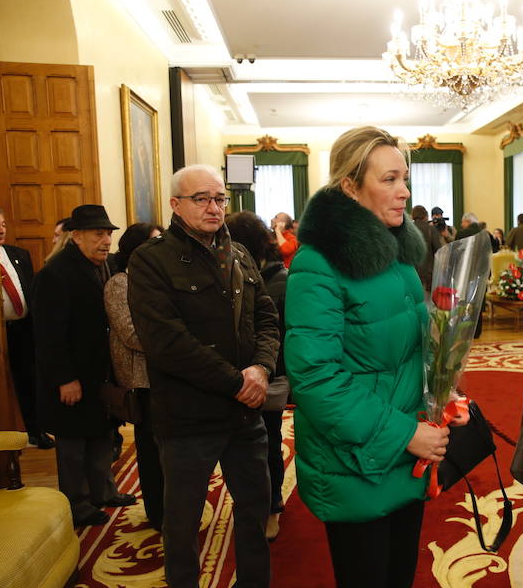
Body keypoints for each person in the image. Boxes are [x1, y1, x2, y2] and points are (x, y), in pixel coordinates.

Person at [285, 126, 460, 588]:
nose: (403, 192)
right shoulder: (318, 263)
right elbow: (316, 378)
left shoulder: (397, 252)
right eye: (389, 180)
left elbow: (411, 350)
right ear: (350, 186)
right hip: (357, 461)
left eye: (405, 179)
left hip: (405, 454)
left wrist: (442, 393)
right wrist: (405, 434)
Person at [128, 164, 280, 588]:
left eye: (219, 199)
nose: (214, 207)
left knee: (255, 516)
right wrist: (238, 382)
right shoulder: (150, 260)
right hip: (187, 420)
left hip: (245, 418)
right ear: (176, 205)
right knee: (182, 528)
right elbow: (166, 344)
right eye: (202, 199)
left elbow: (267, 319)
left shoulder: (241, 254)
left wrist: (262, 368)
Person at [31, 204, 136, 527]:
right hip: (72, 376)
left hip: (99, 374)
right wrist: (65, 379)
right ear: (76, 236)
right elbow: (49, 336)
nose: (106, 241)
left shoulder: (105, 266)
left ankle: (104, 491)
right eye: (98, 234)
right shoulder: (55, 273)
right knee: (74, 444)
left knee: (102, 436)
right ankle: (77, 505)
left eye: (108, 234)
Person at [227, 210, 290, 541]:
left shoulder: (278, 282)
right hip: (238, 378)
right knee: (247, 446)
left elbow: (281, 332)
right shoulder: (236, 274)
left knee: (267, 443)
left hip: (270, 377)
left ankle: (271, 507)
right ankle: (254, 503)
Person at [103, 222, 164, 530]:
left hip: (166, 372)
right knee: (152, 449)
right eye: (155, 242)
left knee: (170, 446)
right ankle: (158, 512)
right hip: (142, 377)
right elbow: (129, 333)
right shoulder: (120, 283)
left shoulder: (156, 279)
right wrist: (173, 342)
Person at [0, 207, 54, 449]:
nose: (0, 229)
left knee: (30, 379)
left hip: (24, 328)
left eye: (3, 224)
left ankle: (36, 429)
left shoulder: (18, 254)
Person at [411, 205, 442, 292]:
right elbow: (439, 249)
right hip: (428, 272)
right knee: (428, 300)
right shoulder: (431, 229)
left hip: (412, 271)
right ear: (425, 215)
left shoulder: (409, 229)